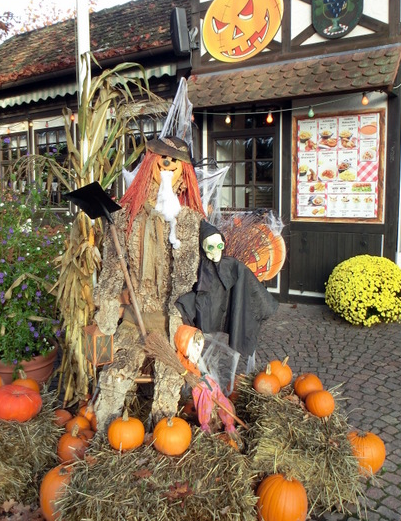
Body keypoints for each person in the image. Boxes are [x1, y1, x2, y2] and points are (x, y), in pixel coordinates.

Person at [93, 137, 206, 433]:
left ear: (184, 173)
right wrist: (108, 311)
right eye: (162, 158)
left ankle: (163, 433)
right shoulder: (125, 217)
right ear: (150, 164)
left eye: (175, 161)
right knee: (115, 375)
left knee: (170, 382)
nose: (167, 164)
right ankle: (105, 434)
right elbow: (112, 272)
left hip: (171, 326)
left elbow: (193, 277)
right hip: (134, 320)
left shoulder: (190, 222)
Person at [176, 220, 278, 361]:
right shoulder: (199, 269)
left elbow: (249, 285)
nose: (215, 251)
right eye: (210, 247)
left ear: (223, 245)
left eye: (219, 246)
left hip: (225, 308)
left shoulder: (233, 265)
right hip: (209, 312)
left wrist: (263, 306)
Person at [174, 324, 237, 434]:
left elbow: (199, 373)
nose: (198, 352)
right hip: (200, 388)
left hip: (205, 383)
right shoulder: (182, 361)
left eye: (200, 348)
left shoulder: (193, 362)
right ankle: (206, 425)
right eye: (195, 348)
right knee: (206, 398)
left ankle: (228, 422)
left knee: (220, 398)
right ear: (184, 345)